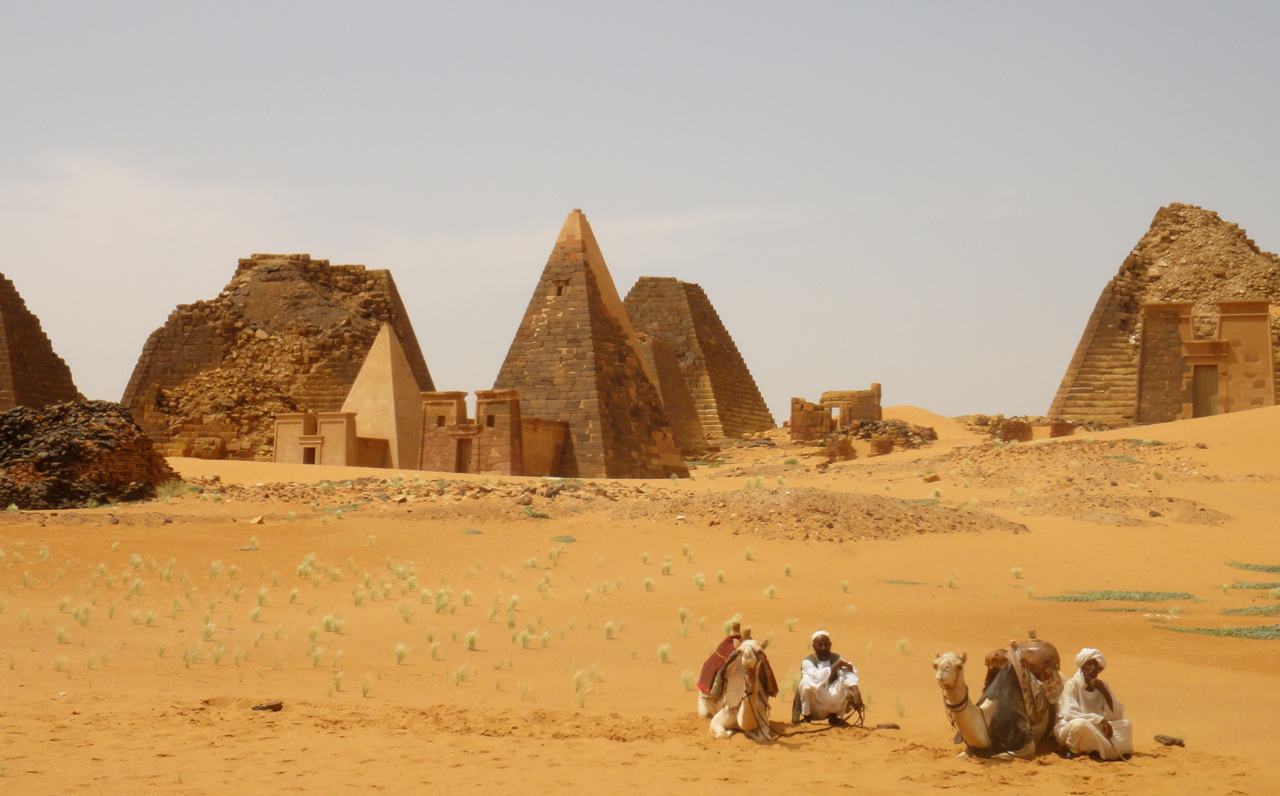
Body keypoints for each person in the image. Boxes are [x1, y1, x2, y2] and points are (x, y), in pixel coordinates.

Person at [1055, 648, 1133, 760]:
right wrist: (1099, 720)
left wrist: (1105, 693)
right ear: (1082, 667)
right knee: (1080, 724)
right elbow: (1069, 714)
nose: (1093, 669)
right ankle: (1070, 749)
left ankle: (1096, 751)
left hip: (1096, 727)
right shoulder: (1072, 685)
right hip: (1071, 728)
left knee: (1126, 724)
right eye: (1089, 665)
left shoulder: (1103, 686)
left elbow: (1115, 716)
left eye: (1096, 666)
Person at [793, 630, 863, 726]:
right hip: (815, 702)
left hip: (833, 700)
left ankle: (834, 717)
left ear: (830, 645)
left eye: (826, 645)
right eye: (820, 645)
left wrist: (856, 692)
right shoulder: (808, 661)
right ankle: (807, 717)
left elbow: (848, 675)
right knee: (806, 681)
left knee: (847, 679)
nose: (823, 648)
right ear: (814, 646)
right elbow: (818, 677)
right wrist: (837, 665)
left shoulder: (837, 658)